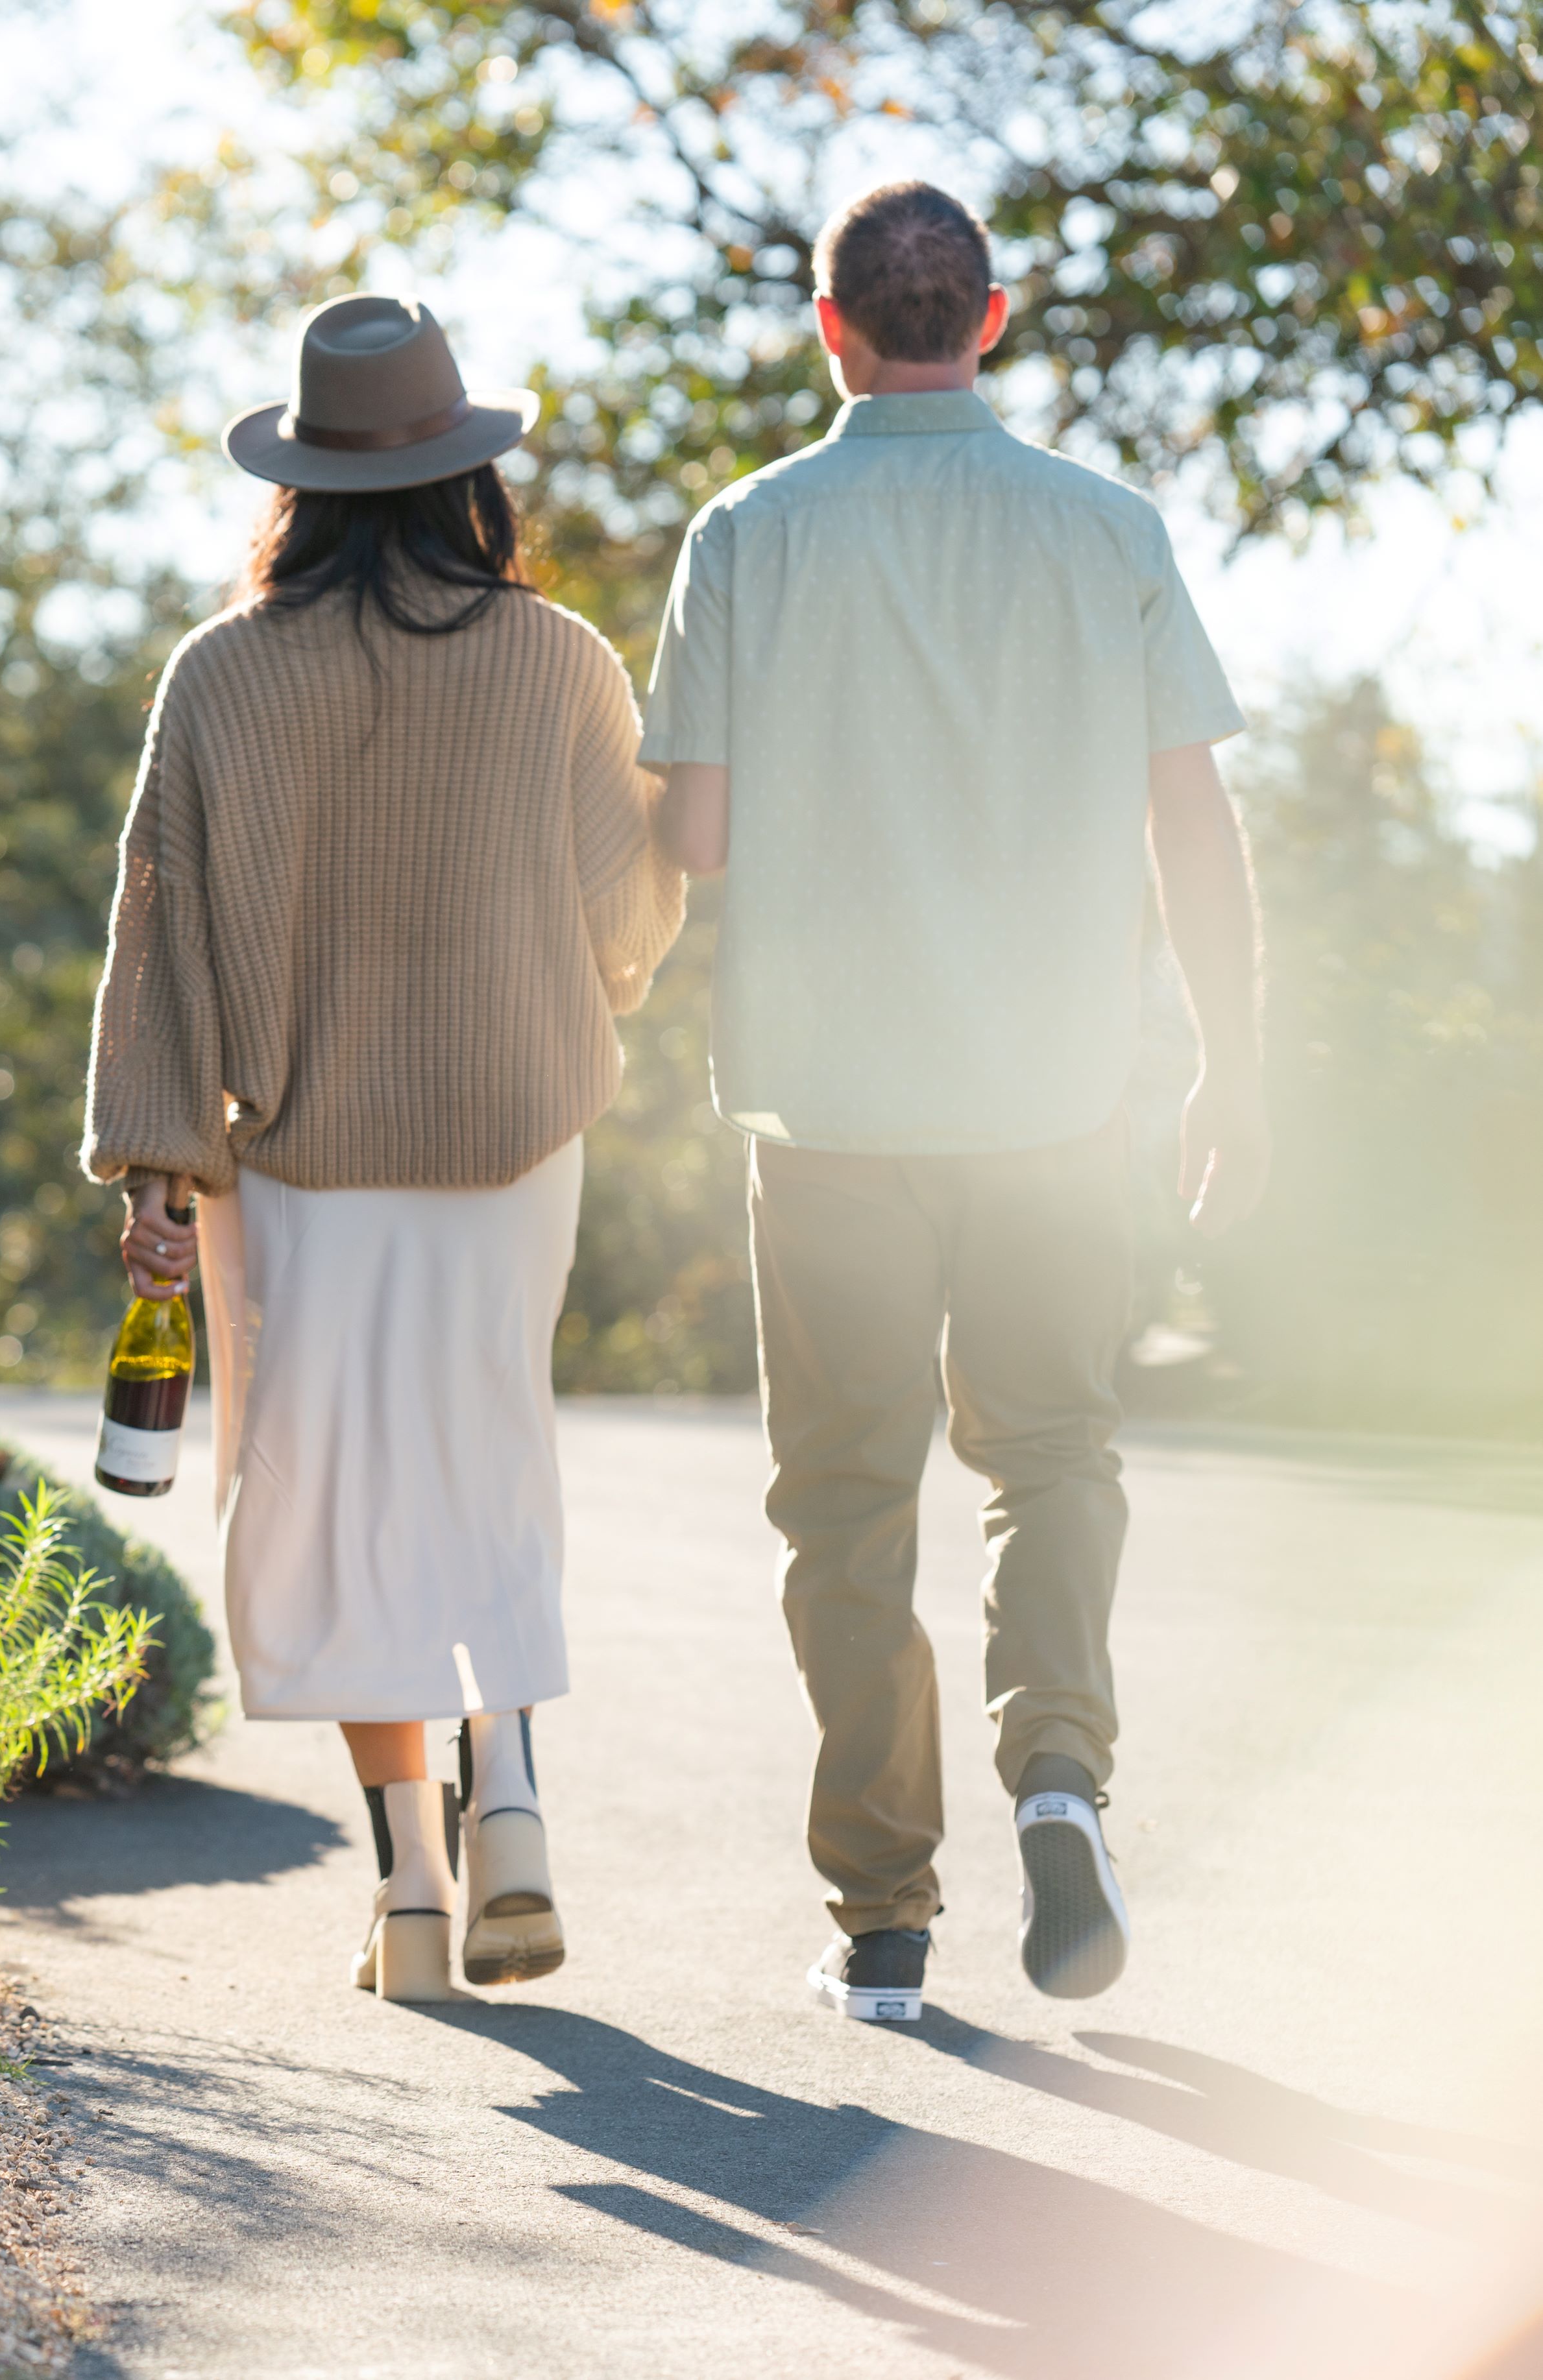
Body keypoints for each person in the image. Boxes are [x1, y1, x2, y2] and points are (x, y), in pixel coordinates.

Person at [639, 181, 1269, 2022]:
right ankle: (1057, 1777)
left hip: (827, 1112)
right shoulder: (1103, 529)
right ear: (986, 320)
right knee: (1053, 1453)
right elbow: (1191, 824)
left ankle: (884, 1918)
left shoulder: (745, 533)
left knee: (844, 1503)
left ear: (828, 328)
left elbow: (699, 835)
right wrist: (1233, 1058)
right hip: (1058, 1100)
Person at [82, 294, 685, 2002]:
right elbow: (624, 923)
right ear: (462, 476)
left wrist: (150, 1162)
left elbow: (157, 930)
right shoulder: (556, 659)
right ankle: (513, 1806)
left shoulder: (217, 674)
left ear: (302, 479)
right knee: (486, 1452)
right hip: (513, 1138)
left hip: (296, 1155)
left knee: (337, 1493)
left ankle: (412, 1898)